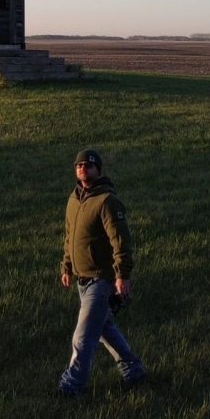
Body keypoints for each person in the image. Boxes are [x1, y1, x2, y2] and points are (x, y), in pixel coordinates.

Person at [57, 149, 146, 396]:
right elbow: (69, 237)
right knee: (104, 329)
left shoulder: (107, 201)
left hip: (102, 280)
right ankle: (134, 370)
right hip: (82, 280)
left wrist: (122, 275)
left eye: (88, 165)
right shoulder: (74, 200)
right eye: (79, 165)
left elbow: (121, 242)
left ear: (99, 170)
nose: (83, 168)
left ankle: (71, 385)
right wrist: (67, 266)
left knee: (83, 336)